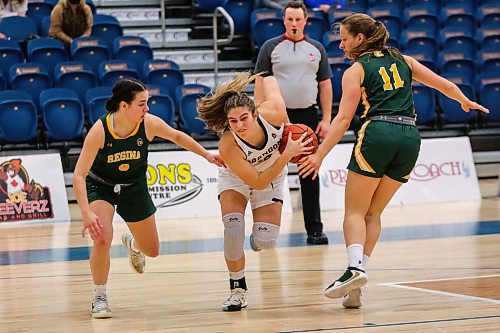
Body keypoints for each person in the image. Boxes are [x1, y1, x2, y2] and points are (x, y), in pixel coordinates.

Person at [298, 13, 490, 309]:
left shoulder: (357, 70)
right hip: (410, 137)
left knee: (354, 212)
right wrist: (464, 100)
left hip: (379, 132)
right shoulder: (406, 60)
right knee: (373, 213)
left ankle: (354, 269)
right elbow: (442, 85)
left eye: (345, 39)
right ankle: (356, 287)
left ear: (360, 39)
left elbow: (343, 119)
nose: (341, 45)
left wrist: (319, 154)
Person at [73, 79, 225, 319]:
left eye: (148, 103)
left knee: (152, 250)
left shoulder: (148, 124)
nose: (147, 109)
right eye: (142, 104)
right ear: (124, 106)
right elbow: (79, 175)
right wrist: (85, 211)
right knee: (102, 238)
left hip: (134, 187)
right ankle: (99, 296)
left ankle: (133, 244)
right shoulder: (100, 131)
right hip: (101, 186)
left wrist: (206, 155)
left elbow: (177, 136)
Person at [197, 72, 313, 312]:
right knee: (232, 229)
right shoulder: (228, 144)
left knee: (266, 241)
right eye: (233, 121)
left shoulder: (275, 112)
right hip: (237, 179)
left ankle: (255, 240)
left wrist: (266, 74)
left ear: (255, 113)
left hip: (272, 173)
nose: (239, 125)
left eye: (244, 118)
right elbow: (257, 182)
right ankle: (237, 290)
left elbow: (271, 82)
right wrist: (286, 155)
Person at [254, 1, 332, 245]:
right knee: (268, 170)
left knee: (309, 170)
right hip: (276, 117)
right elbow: (260, 81)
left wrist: (327, 118)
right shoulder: (271, 47)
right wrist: (259, 114)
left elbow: (325, 84)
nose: (294, 23)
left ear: (306, 20)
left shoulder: (316, 48)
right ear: (284, 21)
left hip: (307, 116)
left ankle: (315, 230)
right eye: (290, 19)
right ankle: (264, 231)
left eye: (298, 19)